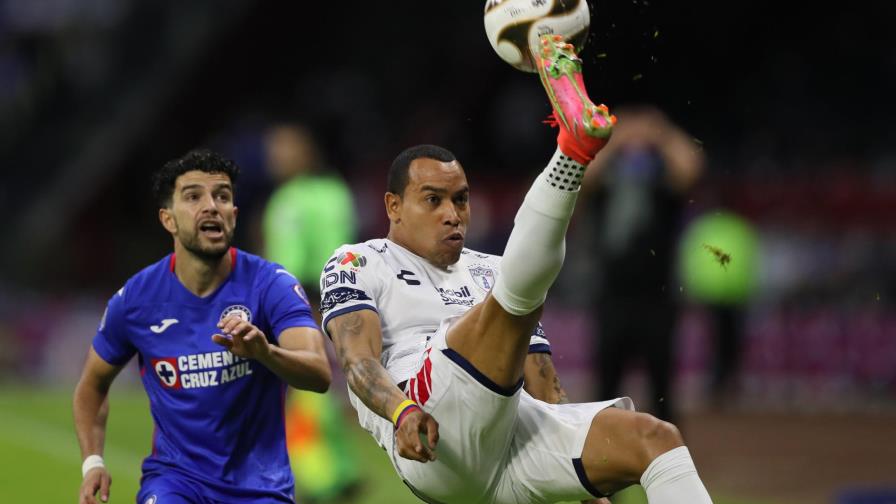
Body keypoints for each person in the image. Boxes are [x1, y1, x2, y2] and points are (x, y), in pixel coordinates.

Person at [321, 36, 713, 503]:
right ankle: (571, 152)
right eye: (433, 199)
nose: (453, 213)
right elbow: (358, 362)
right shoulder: (357, 261)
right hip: (433, 440)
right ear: (393, 206)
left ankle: (573, 148)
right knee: (504, 302)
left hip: (516, 437)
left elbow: (543, 382)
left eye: (460, 199)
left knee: (655, 438)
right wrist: (402, 413)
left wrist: (587, 484)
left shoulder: (488, 269)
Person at [72, 149, 332, 504]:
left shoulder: (271, 284)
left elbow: (318, 373)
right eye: (193, 196)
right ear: (168, 220)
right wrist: (93, 462)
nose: (211, 206)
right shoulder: (136, 299)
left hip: (260, 488)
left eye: (222, 196)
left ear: (234, 215)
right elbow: (91, 387)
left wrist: (265, 353)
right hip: (174, 482)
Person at [581, 104, 705, 422]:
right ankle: (603, 460)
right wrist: (612, 139)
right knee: (606, 391)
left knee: (663, 389)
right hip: (612, 295)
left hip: (657, 297)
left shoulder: (662, 173)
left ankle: (666, 464)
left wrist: (660, 132)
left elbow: (691, 167)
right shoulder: (608, 174)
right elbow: (583, 174)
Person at [261, 122, 362, 502]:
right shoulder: (338, 192)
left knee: (302, 396)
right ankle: (342, 468)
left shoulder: (288, 201)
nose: (275, 158)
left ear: (305, 152)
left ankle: (324, 480)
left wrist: (288, 311)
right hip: (343, 299)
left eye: (283, 150)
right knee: (323, 389)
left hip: (301, 305)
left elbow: (286, 265)